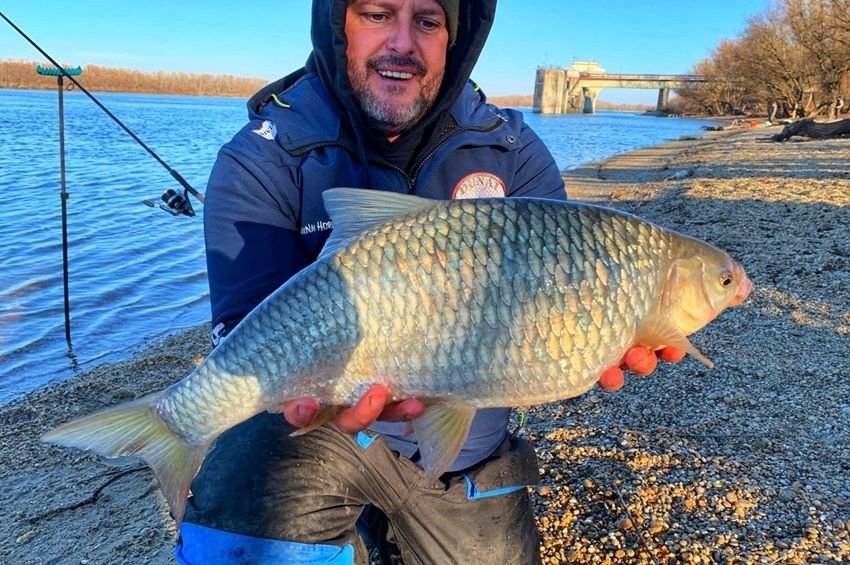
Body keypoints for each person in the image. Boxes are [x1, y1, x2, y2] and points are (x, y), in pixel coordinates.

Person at [177, 1, 683, 563]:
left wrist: (588, 340)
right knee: (235, 528)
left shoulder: (514, 152)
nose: (401, 43)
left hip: (468, 439)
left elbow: (555, 301)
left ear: (455, 38)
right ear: (337, 25)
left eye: (427, 21)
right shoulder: (262, 155)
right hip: (311, 431)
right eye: (376, 14)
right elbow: (244, 335)